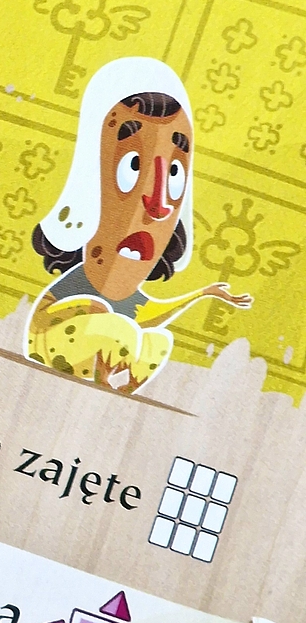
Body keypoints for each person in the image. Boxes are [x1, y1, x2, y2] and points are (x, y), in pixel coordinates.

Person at [26, 56, 251, 393]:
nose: (158, 206)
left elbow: (149, 315)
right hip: (51, 343)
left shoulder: (130, 296)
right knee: (114, 324)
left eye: (174, 174)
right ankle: (103, 378)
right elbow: (72, 318)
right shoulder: (83, 284)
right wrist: (102, 320)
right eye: (132, 167)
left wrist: (203, 293)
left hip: (91, 359)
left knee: (156, 340)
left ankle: (120, 388)